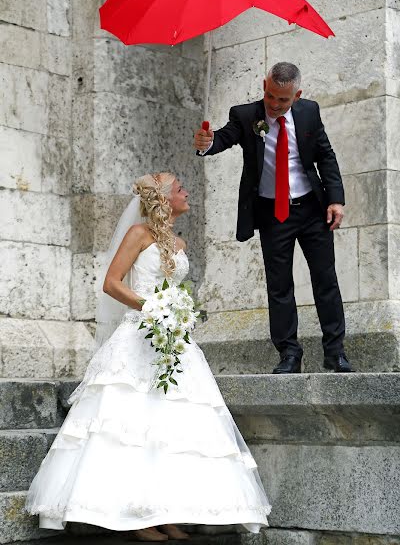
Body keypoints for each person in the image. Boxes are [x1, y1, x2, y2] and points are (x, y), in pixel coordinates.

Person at [25, 172, 270, 538]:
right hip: (139, 337)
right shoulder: (138, 235)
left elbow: (175, 288)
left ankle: (164, 511)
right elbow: (112, 282)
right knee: (133, 424)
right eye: (180, 188)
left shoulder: (181, 243)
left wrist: (179, 310)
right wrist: (153, 306)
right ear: (163, 199)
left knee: (169, 428)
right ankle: (137, 517)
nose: (187, 192)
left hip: (174, 343)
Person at [193, 62, 353, 374]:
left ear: (297, 95)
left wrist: (336, 199)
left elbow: (325, 156)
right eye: (270, 97)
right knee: (279, 286)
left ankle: (335, 352)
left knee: (326, 280)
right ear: (264, 86)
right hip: (272, 212)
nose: (275, 105)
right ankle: (289, 354)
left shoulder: (309, 112)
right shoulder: (245, 115)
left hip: (310, 209)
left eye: (283, 100)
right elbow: (223, 138)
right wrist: (207, 143)